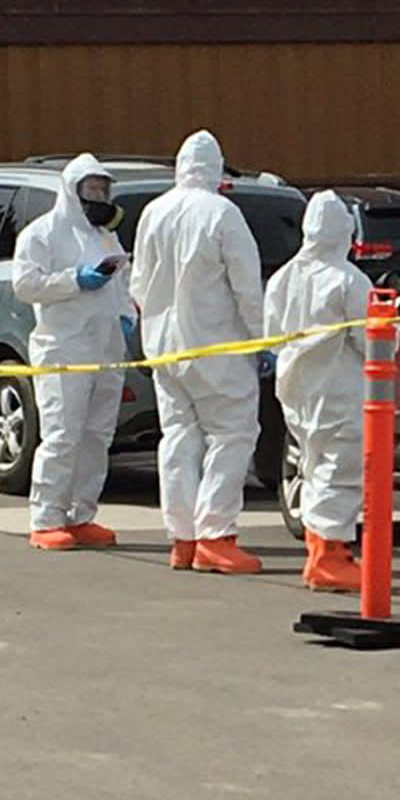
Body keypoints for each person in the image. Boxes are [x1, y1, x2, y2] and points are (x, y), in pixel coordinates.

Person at [129, 130, 268, 575]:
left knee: (178, 439)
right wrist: (265, 340)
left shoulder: (154, 212)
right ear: (217, 168)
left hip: (163, 349)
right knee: (233, 434)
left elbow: (138, 284)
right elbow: (247, 287)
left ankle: (182, 539)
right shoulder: (223, 214)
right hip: (216, 347)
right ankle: (216, 535)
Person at [8, 153, 133, 551]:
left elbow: (123, 286)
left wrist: (127, 316)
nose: (98, 196)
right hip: (63, 349)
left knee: (97, 436)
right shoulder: (41, 234)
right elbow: (25, 285)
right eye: (91, 189)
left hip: (107, 349)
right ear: (72, 190)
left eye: (103, 189)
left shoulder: (105, 237)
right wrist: (74, 281)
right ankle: (46, 518)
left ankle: (82, 515)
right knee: (62, 435)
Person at [263, 190, 371, 593]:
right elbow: (373, 339)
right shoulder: (348, 279)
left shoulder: (282, 278)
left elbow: (272, 336)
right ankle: (330, 556)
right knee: (336, 472)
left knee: (311, 468)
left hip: (296, 390)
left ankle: (318, 551)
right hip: (339, 390)